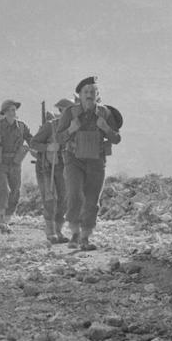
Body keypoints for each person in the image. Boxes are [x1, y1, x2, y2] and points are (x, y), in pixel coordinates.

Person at [55, 76, 122, 250]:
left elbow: (117, 138)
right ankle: (75, 232)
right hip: (73, 159)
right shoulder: (70, 113)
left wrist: (106, 128)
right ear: (79, 95)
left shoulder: (105, 113)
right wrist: (71, 128)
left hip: (96, 161)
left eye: (93, 92)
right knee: (75, 194)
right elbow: (59, 138)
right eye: (86, 92)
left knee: (92, 200)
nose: (89, 95)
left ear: (98, 95)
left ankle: (85, 237)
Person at [30, 98, 73, 243]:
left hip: (64, 168)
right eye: (65, 111)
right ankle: (50, 231)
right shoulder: (50, 126)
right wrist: (48, 147)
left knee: (64, 199)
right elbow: (33, 143)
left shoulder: (74, 128)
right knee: (50, 198)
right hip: (46, 167)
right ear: (60, 111)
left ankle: (59, 230)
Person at [0, 99, 32, 233]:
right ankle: (0, 218)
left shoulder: (21, 126)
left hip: (15, 162)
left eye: (14, 110)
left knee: (15, 192)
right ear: (4, 112)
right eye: (9, 110)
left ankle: (6, 221)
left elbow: (31, 139)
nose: (12, 112)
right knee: (4, 190)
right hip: (0, 163)